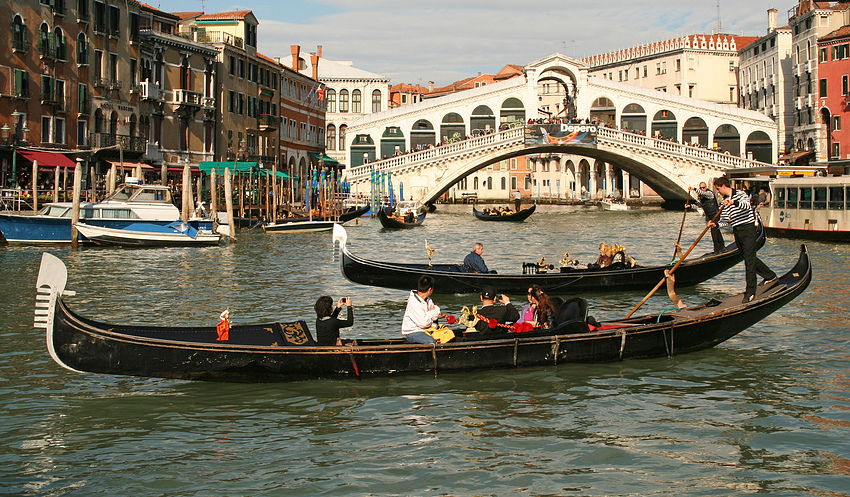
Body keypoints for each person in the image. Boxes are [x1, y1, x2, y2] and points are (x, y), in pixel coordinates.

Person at [709, 177, 778, 303]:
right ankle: (770, 276)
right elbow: (725, 221)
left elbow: (747, 206)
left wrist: (733, 203)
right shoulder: (724, 201)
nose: (718, 192)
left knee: (749, 262)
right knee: (747, 257)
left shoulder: (741, 194)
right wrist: (716, 225)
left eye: (718, 189)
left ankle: (750, 292)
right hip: (737, 231)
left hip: (748, 229)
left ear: (724, 186)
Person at [686, 182, 725, 254]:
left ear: (706, 187)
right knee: (716, 232)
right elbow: (698, 205)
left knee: (714, 232)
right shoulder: (701, 197)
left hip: (715, 214)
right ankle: (722, 247)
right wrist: (690, 206)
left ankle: (717, 250)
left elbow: (704, 193)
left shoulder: (710, 194)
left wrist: (694, 189)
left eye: (703, 188)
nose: (702, 189)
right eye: (701, 188)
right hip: (709, 216)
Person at [401, 275, 441, 344]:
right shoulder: (413, 302)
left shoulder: (428, 299)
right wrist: (431, 313)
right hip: (413, 332)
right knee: (431, 342)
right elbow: (424, 324)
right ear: (430, 289)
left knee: (447, 336)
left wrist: (429, 315)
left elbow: (437, 312)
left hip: (427, 329)